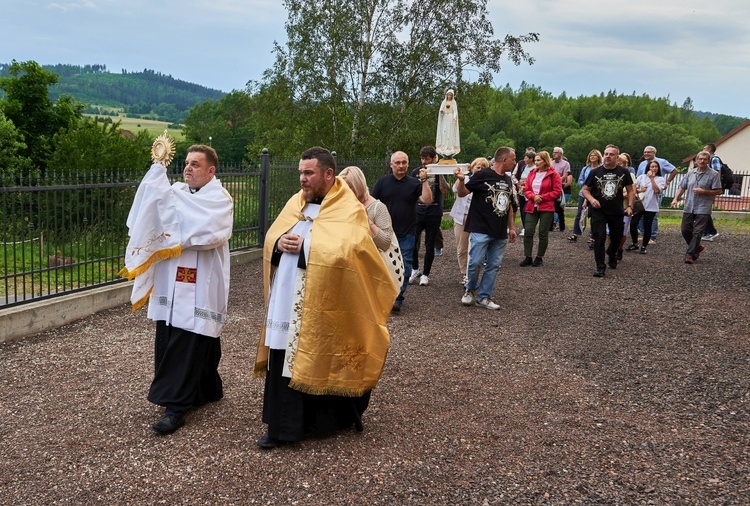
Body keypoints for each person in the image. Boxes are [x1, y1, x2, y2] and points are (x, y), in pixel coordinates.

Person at [254, 147, 397, 449]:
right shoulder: (297, 202)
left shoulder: (350, 209)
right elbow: (272, 238)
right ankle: (282, 425)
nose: (302, 179)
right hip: (287, 299)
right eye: (300, 173)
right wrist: (279, 243)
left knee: (315, 354)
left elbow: (350, 254)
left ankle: (317, 423)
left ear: (328, 174)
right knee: (283, 357)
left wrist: (306, 248)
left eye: (309, 173)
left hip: (325, 305)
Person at [120, 144, 233, 435]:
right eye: (186, 163)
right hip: (172, 282)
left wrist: (169, 218)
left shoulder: (220, 200)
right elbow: (151, 211)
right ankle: (207, 388)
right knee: (181, 336)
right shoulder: (178, 194)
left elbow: (206, 233)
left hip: (201, 282)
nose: (187, 168)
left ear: (211, 170)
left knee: (191, 338)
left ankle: (176, 408)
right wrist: (156, 174)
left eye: (195, 164)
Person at [454, 147, 518, 309]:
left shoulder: (508, 179)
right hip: (481, 228)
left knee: (493, 266)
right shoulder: (482, 175)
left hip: (500, 230)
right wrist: (462, 180)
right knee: (475, 262)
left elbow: (509, 205)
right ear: (504, 160)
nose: (515, 162)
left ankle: (484, 297)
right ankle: (469, 290)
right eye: (513, 159)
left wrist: (512, 227)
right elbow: (462, 194)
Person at [371, 151, 433, 312]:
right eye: (397, 163)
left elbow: (427, 200)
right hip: (384, 233)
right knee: (383, 266)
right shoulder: (382, 182)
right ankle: (383, 296)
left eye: (404, 162)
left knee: (404, 266)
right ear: (391, 165)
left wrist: (424, 180)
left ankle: (397, 297)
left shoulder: (414, 183)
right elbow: (370, 202)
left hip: (407, 232)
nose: (401, 166)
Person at [582, 144, 635, 277]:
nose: (608, 157)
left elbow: (630, 190)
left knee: (617, 237)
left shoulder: (623, 172)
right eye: (606, 154)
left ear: (617, 157)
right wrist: (591, 199)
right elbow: (585, 190)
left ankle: (612, 253)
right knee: (599, 237)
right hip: (598, 210)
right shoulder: (595, 172)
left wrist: (630, 206)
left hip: (616, 210)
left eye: (611, 154)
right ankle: (600, 267)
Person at [670, 150, 722, 264]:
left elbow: (719, 190)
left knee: (698, 232)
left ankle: (690, 255)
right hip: (689, 206)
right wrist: (675, 199)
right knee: (685, 230)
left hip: (703, 207)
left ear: (708, 161)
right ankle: (697, 247)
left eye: (705, 159)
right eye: (700, 159)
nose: (702, 161)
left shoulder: (713, 174)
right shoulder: (690, 173)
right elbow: (682, 187)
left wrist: (704, 191)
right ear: (696, 160)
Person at [410, 146, 449, 286]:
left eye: (427, 158)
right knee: (412, 242)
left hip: (434, 212)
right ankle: (415, 269)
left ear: (434, 158)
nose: (424, 161)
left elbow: (445, 190)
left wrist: (438, 173)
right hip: (418, 212)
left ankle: (426, 274)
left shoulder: (440, 172)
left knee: (429, 244)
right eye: (422, 158)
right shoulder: (415, 172)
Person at [520, 151, 562, 267]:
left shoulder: (553, 174)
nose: (536, 162)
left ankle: (539, 257)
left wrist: (542, 197)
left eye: (539, 160)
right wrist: (534, 196)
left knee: (543, 233)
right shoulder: (532, 173)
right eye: (536, 160)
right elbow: (527, 189)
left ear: (545, 161)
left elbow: (557, 191)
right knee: (528, 230)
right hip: (531, 206)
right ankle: (528, 256)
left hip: (546, 207)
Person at [450, 157, 488, 285]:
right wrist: (461, 176)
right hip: (461, 216)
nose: (480, 170)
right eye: (478, 167)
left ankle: (470, 274)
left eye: (483, 168)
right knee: (462, 247)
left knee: (475, 247)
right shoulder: (465, 180)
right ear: (471, 168)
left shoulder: (486, 183)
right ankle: (464, 273)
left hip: (477, 218)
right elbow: (455, 190)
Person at [636, 146, 677, 242]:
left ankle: (652, 236)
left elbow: (674, 170)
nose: (646, 154)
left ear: (654, 153)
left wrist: (667, 182)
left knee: (652, 214)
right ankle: (644, 234)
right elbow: (638, 177)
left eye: (649, 152)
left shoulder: (661, 162)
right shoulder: (642, 164)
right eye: (645, 152)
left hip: (655, 191)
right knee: (641, 213)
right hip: (643, 193)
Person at [626, 159, 666, 254]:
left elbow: (657, 191)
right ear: (648, 168)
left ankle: (644, 246)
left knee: (647, 226)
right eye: (652, 166)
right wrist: (640, 190)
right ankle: (635, 243)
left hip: (651, 205)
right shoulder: (641, 177)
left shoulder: (661, 179)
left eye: (656, 167)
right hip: (640, 204)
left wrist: (652, 179)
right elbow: (634, 190)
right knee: (633, 224)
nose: (654, 168)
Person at [568, 149, 601, 242]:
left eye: (594, 155)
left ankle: (593, 235)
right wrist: (587, 184)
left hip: (595, 195)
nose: (592, 157)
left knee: (594, 215)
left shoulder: (601, 168)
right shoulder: (585, 168)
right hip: (584, 193)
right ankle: (575, 233)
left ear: (598, 157)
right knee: (579, 214)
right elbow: (580, 181)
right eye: (591, 155)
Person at [701, 142, 722, 242]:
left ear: (709, 150)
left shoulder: (714, 159)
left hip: (710, 189)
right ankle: (706, 231)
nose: (703, 150)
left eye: (705, 148)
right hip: (705, 188)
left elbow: (717, 172)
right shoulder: (706, 160)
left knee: (705, 210)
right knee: (702, 210)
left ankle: (710, 232)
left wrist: (715, 187)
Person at [550, 147, 571, 231]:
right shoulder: (551, 163)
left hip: (559, 185)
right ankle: (550, 226)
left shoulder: (566, 164)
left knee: (559, 206)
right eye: (553, 152)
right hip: (550, 186)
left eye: (556, 152)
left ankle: (562, 226)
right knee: (550, 206)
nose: (554, 154)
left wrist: (557, 182)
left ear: (561, 154)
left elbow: (565, 175)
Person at [515, 151, 535, 237]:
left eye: (526, 158)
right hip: (522, 191)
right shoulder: (524, 167)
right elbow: (519, 177)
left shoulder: (534, 168)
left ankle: (528, 227)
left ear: (531, 159)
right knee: (522, 209)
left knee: (526, 210)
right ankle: (524, 227)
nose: (524, 159)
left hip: (529, 192)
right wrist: (519, 183)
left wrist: (526, 183)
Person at [436, 89, 460, 157]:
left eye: (451, 95)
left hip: (450, 118)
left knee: (450, 132)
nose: (449, 96)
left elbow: (455, 111)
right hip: (445, 119)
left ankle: (450, 146)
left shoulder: (453, 102)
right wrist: (441, 112)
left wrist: (454, 117)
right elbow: (441, 110)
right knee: (444, 132)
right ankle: (444, 146)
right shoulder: (444, 102)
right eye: (448, 95)